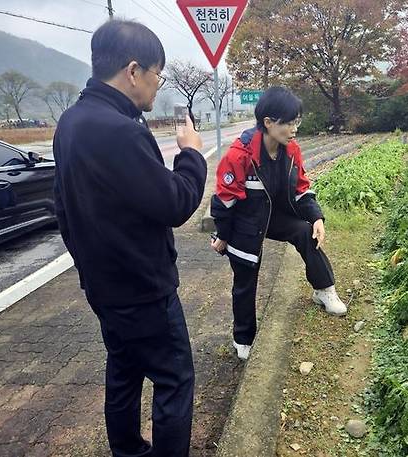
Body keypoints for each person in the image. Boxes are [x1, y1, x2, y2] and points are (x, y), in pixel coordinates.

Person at [53, 20, 206, 457]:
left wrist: (88, 268)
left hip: (103, 287)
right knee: (174, 378)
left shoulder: (71, 122)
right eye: (157, 74)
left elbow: (62, 208)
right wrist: (191, 154)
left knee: (123, 370)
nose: (158, 86)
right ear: (134, 70)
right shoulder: (121, 130)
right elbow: (175, 203)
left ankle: (127, 450)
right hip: (143, 289)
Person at [210, 87, 347, 361]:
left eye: (297, 121)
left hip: (271, 216)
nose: (294, 128)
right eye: (289, 122)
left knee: (304, 232)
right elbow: (224, 201)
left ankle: (324, 290)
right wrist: (223, 236)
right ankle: (243, 338)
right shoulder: (240, 155)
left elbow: (301, 189)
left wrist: (316, 217)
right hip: (245, 224)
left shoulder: (291, 150)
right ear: (269, 123)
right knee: (246, 276)